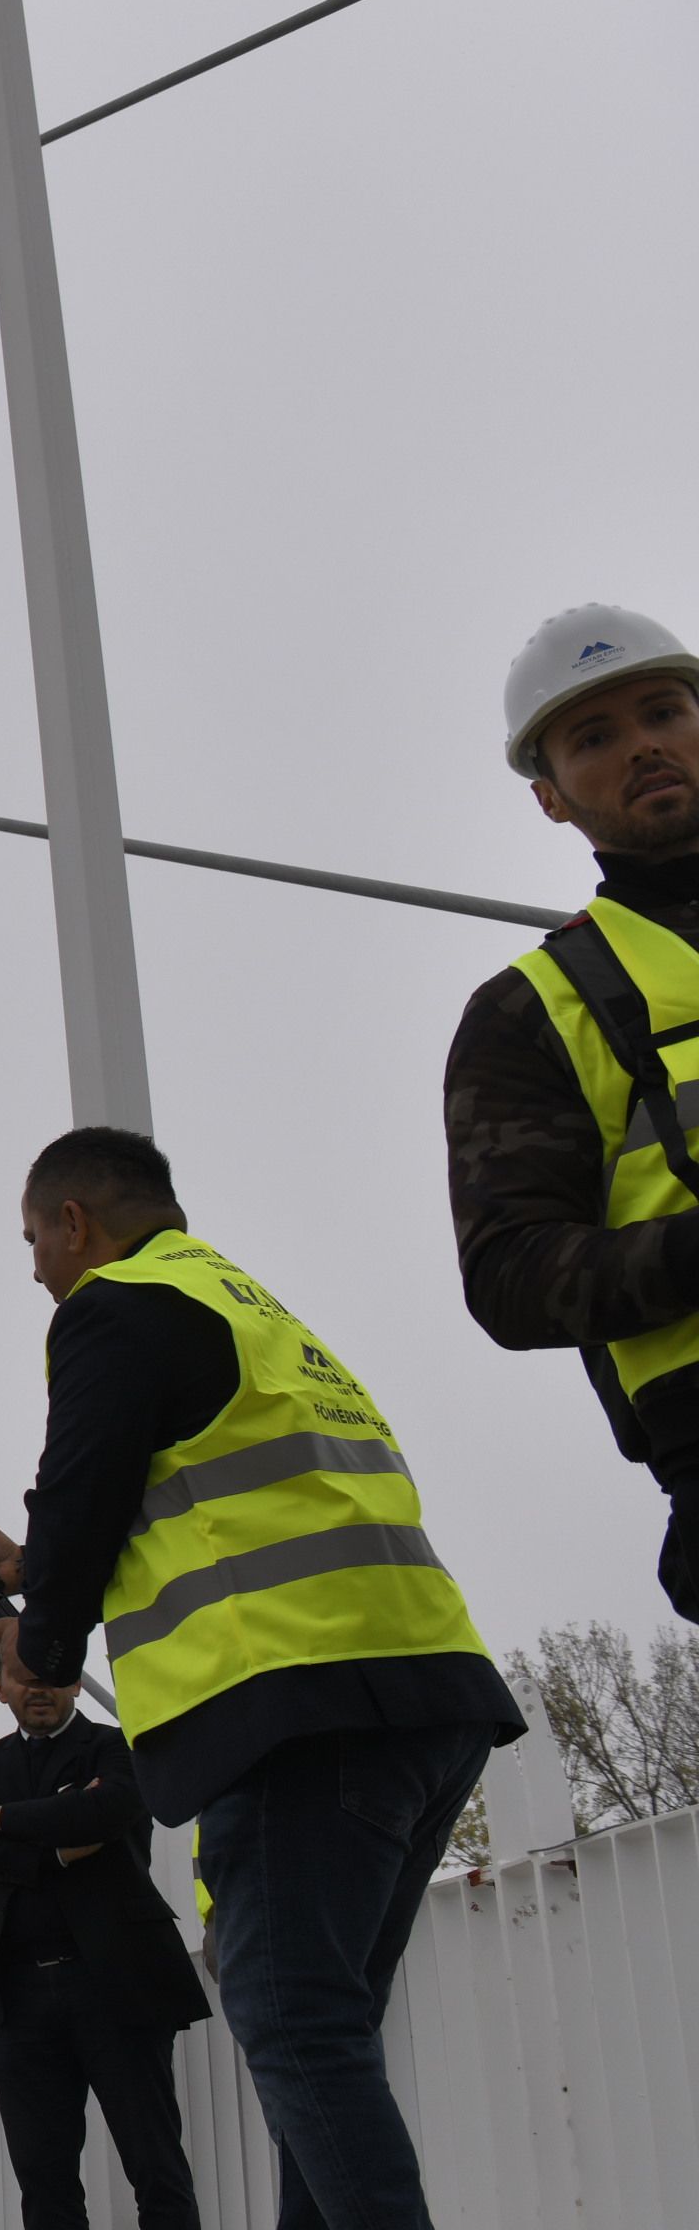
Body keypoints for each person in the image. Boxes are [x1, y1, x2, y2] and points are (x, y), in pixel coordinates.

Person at [0, 1127, 527, 2230]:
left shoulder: (113, 1312)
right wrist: (29, 1571)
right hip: (415, 1688)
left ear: (75, 1221)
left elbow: (87, 1491)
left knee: (292, 2018)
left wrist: (41, 1632)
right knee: (330, 2019)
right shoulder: (247, 1309)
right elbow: (185, 1506)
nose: (33, 1272)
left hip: (291, 1705)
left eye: (33, 1242)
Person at [444, 604, 699, 1611]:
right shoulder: (531, 1012)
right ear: (550, 796)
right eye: (595, 736)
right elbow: (509, 1275)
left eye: (662, 712)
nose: (640, 746)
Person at [0, 1629, 213, 2230]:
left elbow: (119, 1812)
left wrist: (8, 1822)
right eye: (22, 1674)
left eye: (53, 1673)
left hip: (119, 1987)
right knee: (45, 2179)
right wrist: (56, 1837)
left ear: (73, 1679)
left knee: (155, 2169)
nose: (40, 1686)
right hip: (20, 1995)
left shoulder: (116, 1750)